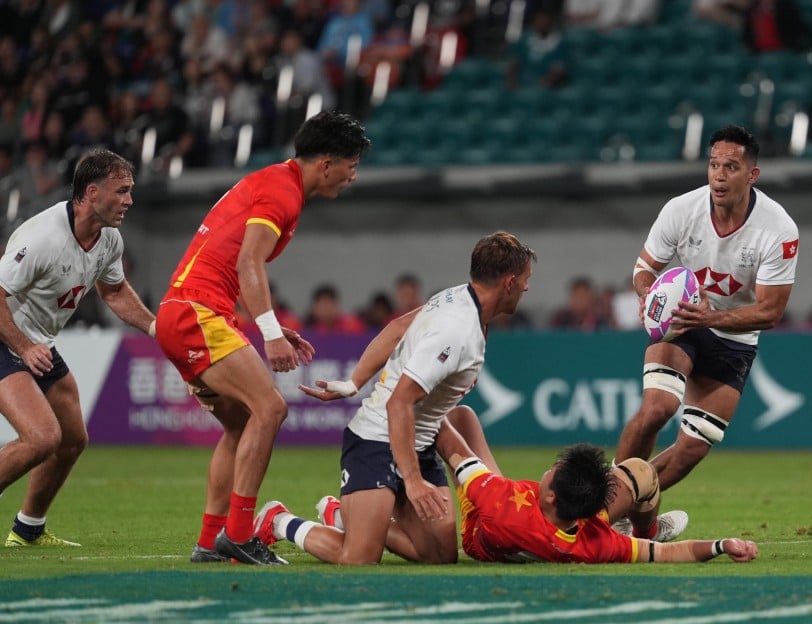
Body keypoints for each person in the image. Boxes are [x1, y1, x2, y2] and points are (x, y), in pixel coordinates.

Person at [153, 110, 371, 566]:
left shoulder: (276, 183)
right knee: (270, 408)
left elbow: (231, 262)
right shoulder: (282, 192)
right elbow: (248, 262)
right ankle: (239, 534)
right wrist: (270, 334)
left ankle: (211, 540)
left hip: (186, 312)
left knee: (240, 424)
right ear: (326, 163)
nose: (354, 175)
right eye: (352, 163)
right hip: (197, 312)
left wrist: (268, 324)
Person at [254, 231, 538, 566]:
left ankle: (344, 515)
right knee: (359, 557)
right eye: (525, 280)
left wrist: (354, 381)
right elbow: (398, 403)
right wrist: (414, 482)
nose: (527, 287)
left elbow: (398, 328)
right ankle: (278, 520)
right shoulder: (456, 331)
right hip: (376, 440)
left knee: (440, 556)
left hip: (418, 442)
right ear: (508, 283)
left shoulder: (458, 298)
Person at [614, 124, 799, 526]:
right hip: (683, 321)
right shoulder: (681, 210)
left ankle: (624, 510)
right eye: (714, 164)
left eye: (731, 166)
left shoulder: (779, 229)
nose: (719, 174)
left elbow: (770, 311)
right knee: (656, 408)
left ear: (752, 175)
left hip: (735, 337)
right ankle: (603, 506)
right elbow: (644, 268)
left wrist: (712, 316)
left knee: (693, 448)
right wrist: (647, 293)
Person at [0, 149, 155, 547]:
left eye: (130, 191)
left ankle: (29, 528)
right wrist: (23, 344)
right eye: (122, 191)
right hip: (7, 338)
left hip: (37, 342)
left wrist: (156, 327)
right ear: (91, 192)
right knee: (41, 438)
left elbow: (116, 291)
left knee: (71, 439)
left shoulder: (109, 240)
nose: (129, 200)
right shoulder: (43, 237)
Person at [437, 412, 756, 564]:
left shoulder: (500, 502)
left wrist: (411, 394)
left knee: (459, 416)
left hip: (483, 528)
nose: (550, 468)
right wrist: (721, 544)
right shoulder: (595, 543)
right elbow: (670, 552)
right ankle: (644, 530)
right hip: (551, 527)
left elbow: (450, 444)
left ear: (549, 495)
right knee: (642, 472)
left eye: (553, 470)